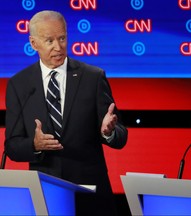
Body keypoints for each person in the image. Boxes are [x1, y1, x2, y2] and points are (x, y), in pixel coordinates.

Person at [4, 10, 128, 215]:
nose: (58, 47)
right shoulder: (20, 85)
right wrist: (34, 145)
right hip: (45, 195)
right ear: (33, 44)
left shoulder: (93, 77)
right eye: (49, 40)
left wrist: (108, 132)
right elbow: (12, 146)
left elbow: (121, 136)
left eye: (62, 38)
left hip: (92, 195)